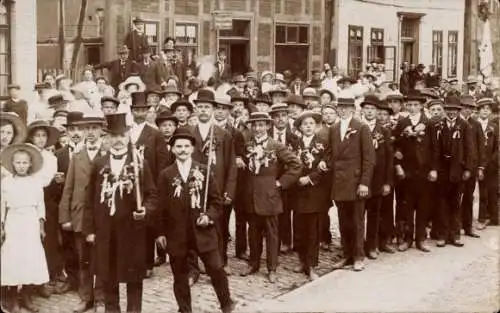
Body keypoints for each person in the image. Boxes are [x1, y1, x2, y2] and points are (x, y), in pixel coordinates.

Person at [155, 127, 236, 313]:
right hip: (177, 234)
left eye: (186, 146)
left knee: (216, 268)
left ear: (192, 148)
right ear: (173, 149)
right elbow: (159, 208)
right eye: (178, 146)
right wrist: (159, 232)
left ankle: (226, 303)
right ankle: (184, 309)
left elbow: (216, 202)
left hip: (203, 231)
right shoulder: (166, 175)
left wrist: (208, 216)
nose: (182, 150)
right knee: (180, 275)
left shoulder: (203, 171)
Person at [84, 112, 157, 313]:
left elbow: (152, 195)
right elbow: (89, 198)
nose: (117, 141)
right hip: (106, 231)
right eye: (113, 136)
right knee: (108, 276)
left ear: (128, 137)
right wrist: (90, 229)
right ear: (107, 138)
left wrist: (146, 211)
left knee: (134, 279)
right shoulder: (99, 164)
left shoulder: (140, 164)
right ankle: (111, 310)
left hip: (132, 230)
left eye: (122, 136)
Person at [240, 112, 301, 283]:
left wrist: (281, 183)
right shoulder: (248, 145)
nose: (258, 129)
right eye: (255, 125)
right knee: (253, 233)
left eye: (261, 125)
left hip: (270, 197)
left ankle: (272, 268)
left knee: (272, 234)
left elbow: (296, 164)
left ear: (268, 126)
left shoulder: (276, 146)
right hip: (251, 196)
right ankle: (254, 264)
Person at [58, 112, 107, 313]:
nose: (91, 133)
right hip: (80, 216)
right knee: (83, 259)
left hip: (102, 216)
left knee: (102, 259)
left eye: (95, 128)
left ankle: (101, 299)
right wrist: (65, 216)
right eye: (88, 129)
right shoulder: (77, 157)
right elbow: (68, 188)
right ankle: (85, 297)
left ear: (102, 131)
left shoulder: (109, 155)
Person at [188, 89, 237, 277]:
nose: (203, 111)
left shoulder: (223, 135)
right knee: (191, 226)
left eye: (207, 107)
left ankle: (219, 265)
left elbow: (231, 166)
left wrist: (229, 191)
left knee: (218, 227)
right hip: (193, 188)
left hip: (216, 189)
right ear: (195, 109)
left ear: (213, 109)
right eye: (200, 107)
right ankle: (192, 269)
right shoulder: (188, 133)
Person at [1, 143, 48, 313]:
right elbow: (2, 205)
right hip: (13, 221)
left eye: (24, 163)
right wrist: (2, 225)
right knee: (13, 258)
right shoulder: (6, 182)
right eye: (18, 162)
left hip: (30, 222)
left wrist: (41, 225)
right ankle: (13, 297)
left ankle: (27, 295)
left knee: (30, 257)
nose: (21, 166)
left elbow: (40, 205)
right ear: (13, 164)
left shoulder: (35, 182)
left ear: (30, 164)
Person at [129, 91, 170, 277]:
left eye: (143, 109)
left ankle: (147, 264)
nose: (139, 113)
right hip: (129, 184)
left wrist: (158, 186)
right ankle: (131, 260)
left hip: (149, 184)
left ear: (148, 111)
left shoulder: (155, 134)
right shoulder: (126, 132)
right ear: (131, 111)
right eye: (136, 109)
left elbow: (162, 163)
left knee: (146, 224)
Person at [393, 92, 438, 252]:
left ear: (421, 106)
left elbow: (434, 148)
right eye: (410, 105)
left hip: (424, 172)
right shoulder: (402, 122)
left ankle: (420, 239)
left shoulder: (429, 123)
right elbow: (396, 145)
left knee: (423, 206)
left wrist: (433, 169)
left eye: (415, 105)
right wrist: (398, 164)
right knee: (407, 206)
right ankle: (407, 239)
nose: (412, 108)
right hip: (408, 172)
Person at [292, 110, 327, 281]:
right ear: (300, 127)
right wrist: (297, 178)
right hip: (298, 190)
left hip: (314, 191)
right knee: (299, 228)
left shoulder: (321, 144)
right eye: (304, 124)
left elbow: (326, 167)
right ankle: (301, 260)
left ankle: (312, 264)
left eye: (311, 124)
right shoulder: (295, 144)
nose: (308, 127)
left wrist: (311, 178)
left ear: (316, 126)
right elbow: (289, 164)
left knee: (313, 229)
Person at [434, 96, 473, 247]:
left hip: (458, 170)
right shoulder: (439, 125)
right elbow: (435, 149)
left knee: (456, 203)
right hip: (443, 171)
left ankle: (455, 234)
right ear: (445, 110)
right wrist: (435, 168)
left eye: (455, 110)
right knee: (442, 203)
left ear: (459, 110)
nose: (451, 112)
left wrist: (468, 169)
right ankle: (442, 235)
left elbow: (470, 150)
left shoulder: (465, 126)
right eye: (449, 109)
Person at [360, 95, 393, 259]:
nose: (369, 112)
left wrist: (387, 182)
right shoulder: (357, 127)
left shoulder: (383, 130)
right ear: (362, 110)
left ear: (377, 111)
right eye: (366, 108)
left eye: (372, 109)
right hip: (360, 179)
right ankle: (357, 246)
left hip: (377, 179)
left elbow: (389, 157)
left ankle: (371, 246)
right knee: (358, 215)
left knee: (374, 214)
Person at [268, 103, 300, 254]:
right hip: (270, 180)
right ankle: (272, 240)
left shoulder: (294, 138)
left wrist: (286, 180)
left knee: (286, 211)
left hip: (288, 181)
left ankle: (286, 241)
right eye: (277, 116)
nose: (280, 119)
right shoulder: (266, 136)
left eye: (283, 116)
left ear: (288, 118)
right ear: (272, 118)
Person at [459, 95, 483, 238]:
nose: (467, 110)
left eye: (470, 108)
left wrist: (480, 167)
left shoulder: (476, 124)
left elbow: (480, 148)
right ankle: (454, 226)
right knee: (454, 197)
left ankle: (468, 226)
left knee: (468, 196)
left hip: (471, 166)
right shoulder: (455, 121)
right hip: (456, 166)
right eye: (465, 107)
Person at [476, 97, 499, 229]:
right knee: (476, 191)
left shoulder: (494, 127)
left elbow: (497, 146)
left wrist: (491, 161)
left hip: (490, 163)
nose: (485, 111)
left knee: (489, 191)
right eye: (483, 109)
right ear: (478, 110)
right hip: (476, 161)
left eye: (488, 109)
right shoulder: (474, 124)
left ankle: (485, 218)